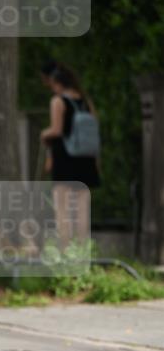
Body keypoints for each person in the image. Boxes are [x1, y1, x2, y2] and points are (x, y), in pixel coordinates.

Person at [40, 62, 100, 247]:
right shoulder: (86, 102)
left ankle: (65, 251)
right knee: (82, 210)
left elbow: (57, 130)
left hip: (65, 159)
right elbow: (95, 130)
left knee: (63, 210)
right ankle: (82, 251)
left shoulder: (58, 101)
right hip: (86, 159)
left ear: (55, 83)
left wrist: (43, 134)